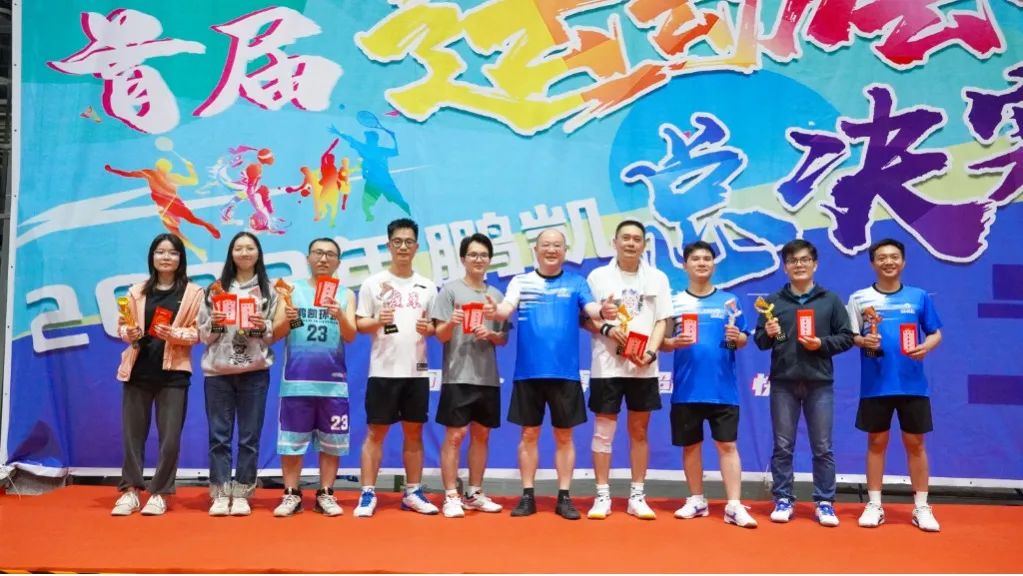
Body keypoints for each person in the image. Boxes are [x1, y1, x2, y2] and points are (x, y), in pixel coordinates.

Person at [485, 228, 618, 520]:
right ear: (536, 249)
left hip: (565, 374)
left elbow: (592, 309)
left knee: (564, 436)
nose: (551, 249)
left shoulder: (576, 282)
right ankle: (527, 495)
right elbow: (505, 309)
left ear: (565, 251)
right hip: (528, 373)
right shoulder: (521, 282)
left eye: (557, 245)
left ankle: (564, 497)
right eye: (546, 245)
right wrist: (494, 311)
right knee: (529, 434)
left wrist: (604, 310)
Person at [754, 239, 854, 527]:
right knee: (783, 446)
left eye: (804, 260)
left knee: (822, 447)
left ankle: (824, 502)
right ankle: (783, 498)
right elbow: (760, 342)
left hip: (819, 383)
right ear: (785, 267)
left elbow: (846, 337)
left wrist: (821, 344)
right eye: (793, 261)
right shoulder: (772, 302)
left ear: (815, 264)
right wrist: (768, 332)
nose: (799, 265)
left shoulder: (830, 300)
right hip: (783, 383)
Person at [846, 238, 943, 532]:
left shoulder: (918, 296)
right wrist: (863, 340)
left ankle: (922, 506)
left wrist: (926, 346)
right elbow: (850, 336)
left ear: (903, 261)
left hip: (912, 384)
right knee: (876, 442)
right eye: (882, 257)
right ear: (872, 263)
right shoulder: (859, 298)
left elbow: (935, 333)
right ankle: (875, 504)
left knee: (916, 444)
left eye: (894, 257)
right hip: (875, 384)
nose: (888, 262)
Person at [661, 241, 757, 528]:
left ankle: (734, 505)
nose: (701, 263)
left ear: (713, 265)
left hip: (722, 390)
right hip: (686, 389)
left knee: (727, 445)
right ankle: (696, 499)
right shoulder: (674, 302)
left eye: (706, 258)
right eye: (695, 259)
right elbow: (662, 342)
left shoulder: (730, 302)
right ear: (685, 265)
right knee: (691, 447)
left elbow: (743, 339)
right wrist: (672, 342)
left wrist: (737, 338)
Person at [582, 220, 672, 520]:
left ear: (644, 244)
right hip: (606, 366)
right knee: (603, 432)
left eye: (637, 239)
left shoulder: (657, 278)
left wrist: (651, 352)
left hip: (643, 367)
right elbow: (584, 318)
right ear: (615, 242)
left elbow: (662, 321)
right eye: (626, 238)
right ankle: (602, 495)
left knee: (639, 431)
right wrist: (607, 329)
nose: (631, 243)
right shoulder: (598, 277)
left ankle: (637, 495)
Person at [111, 234, 204, 516]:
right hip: (137, 371)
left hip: (173, 375)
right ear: (152, 257)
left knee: (170, 439)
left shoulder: (193, 293)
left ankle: (160, 492)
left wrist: (174, 334)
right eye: (160, 252)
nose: (166, 257)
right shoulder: (136, 291)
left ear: (180, 259)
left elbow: (199, 333)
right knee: (132, 436)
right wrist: (129, 332)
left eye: (172, 253)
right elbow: (121, 326)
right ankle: (130, 491)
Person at [354, 218, 439, 517]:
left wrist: (429, 329)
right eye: (398, 241)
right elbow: (360, 323)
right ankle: (367, 493)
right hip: (383, 371)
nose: (403, 246)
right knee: (375, 432)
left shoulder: (428, 286)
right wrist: (378, 321)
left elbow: (436, 327)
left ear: (416, 247)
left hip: (416, 371)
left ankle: (413, 491)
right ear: (389, 245)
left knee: (414, 433)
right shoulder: (372, 283)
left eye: (409, 242)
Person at [199, 231, 288, 516]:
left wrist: (262, 327)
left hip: (254, 372)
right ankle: (220, 493)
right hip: (218, 372)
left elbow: (273, 334)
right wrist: (215, 323)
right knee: (219, 437)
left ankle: (242, 493)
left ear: (258, 253)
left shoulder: (269, 291)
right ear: (231, 253)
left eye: (250, 248)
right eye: (239, 248)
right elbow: (204, 336)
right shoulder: (215, 289)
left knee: (249, 438)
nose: (245, 252)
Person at [272, 238, 357, 517]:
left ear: (338, 262)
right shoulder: (291, 291)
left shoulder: (346, 294)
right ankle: (291, 493)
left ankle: (326, 493)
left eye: (330, 254)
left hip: (333, 384)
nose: (323, 258)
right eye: (318, 253)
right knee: (292, 442)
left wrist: (339, 314)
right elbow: (275, 334)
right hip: (297, 381)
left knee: (332, 443)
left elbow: (351, 335)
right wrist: (288, 318)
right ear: (308, 258)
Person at [431, 233, 509, 518]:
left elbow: (503, 338)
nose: (479, 259)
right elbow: (440, 336)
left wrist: (491, 334)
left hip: (487, 377)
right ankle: (451, 495)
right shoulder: (450, 291)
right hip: (457, 375)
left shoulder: (496, 296)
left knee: (482, 435)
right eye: (473, 255)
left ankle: (474, 492)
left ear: (489, 260)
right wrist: (452, 323)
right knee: (455, 436)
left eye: (483, 255)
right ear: (463, 259)